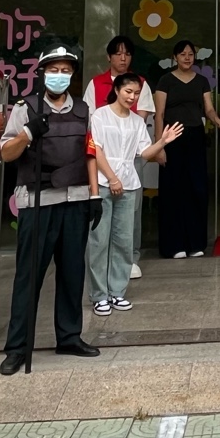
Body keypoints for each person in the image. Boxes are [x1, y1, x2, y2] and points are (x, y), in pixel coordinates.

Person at [0, 43, 101, 375]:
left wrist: (95, 195)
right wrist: (29, 132)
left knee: (72, 273)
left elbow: (90, 153)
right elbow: (6, 153)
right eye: (54, 70)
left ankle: (69, 337)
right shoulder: (25, 108)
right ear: (42, 73)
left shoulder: (84, 110)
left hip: (75, 199)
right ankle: (17, 347)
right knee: (29, 277)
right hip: (38, 202)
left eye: (66, 71)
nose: (60, 75)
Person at [88, 75, 184, 314]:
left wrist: (162, 141)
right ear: (116, 90)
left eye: (136, 93)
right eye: (128, 91)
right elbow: (96, 150)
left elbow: (144, 153)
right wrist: (112, 178)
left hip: (129, 185)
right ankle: (99, 295)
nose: (132, 97)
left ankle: (117, 292)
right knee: (99, 241)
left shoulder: (137, 122)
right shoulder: (100, 115)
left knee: (124, 241)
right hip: (104, 183)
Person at [153, 40, 220, 259]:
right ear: (175, 57)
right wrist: (159, 145)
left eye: (190, 54)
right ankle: (173, 246)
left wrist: (217, 121)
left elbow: (208, 109)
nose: (187, 58)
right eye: (182, 54)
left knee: (197, 189)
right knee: (173, 190)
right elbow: (159, 114)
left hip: (195, 137)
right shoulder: (165, 80)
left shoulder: (202, 81)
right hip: (172, 137)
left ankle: (196, 243)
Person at [84, 36, 155, 280]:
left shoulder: (141, 83)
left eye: (127, 54)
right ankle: (102, 261)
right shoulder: (96, 83)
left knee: (131, 210)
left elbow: (141, 118)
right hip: (101, 155)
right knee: (102, 211)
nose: (123, 58)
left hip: (130, 154)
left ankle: (131, 257)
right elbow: (89, 121)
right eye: (118, 53)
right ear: (109, 57)